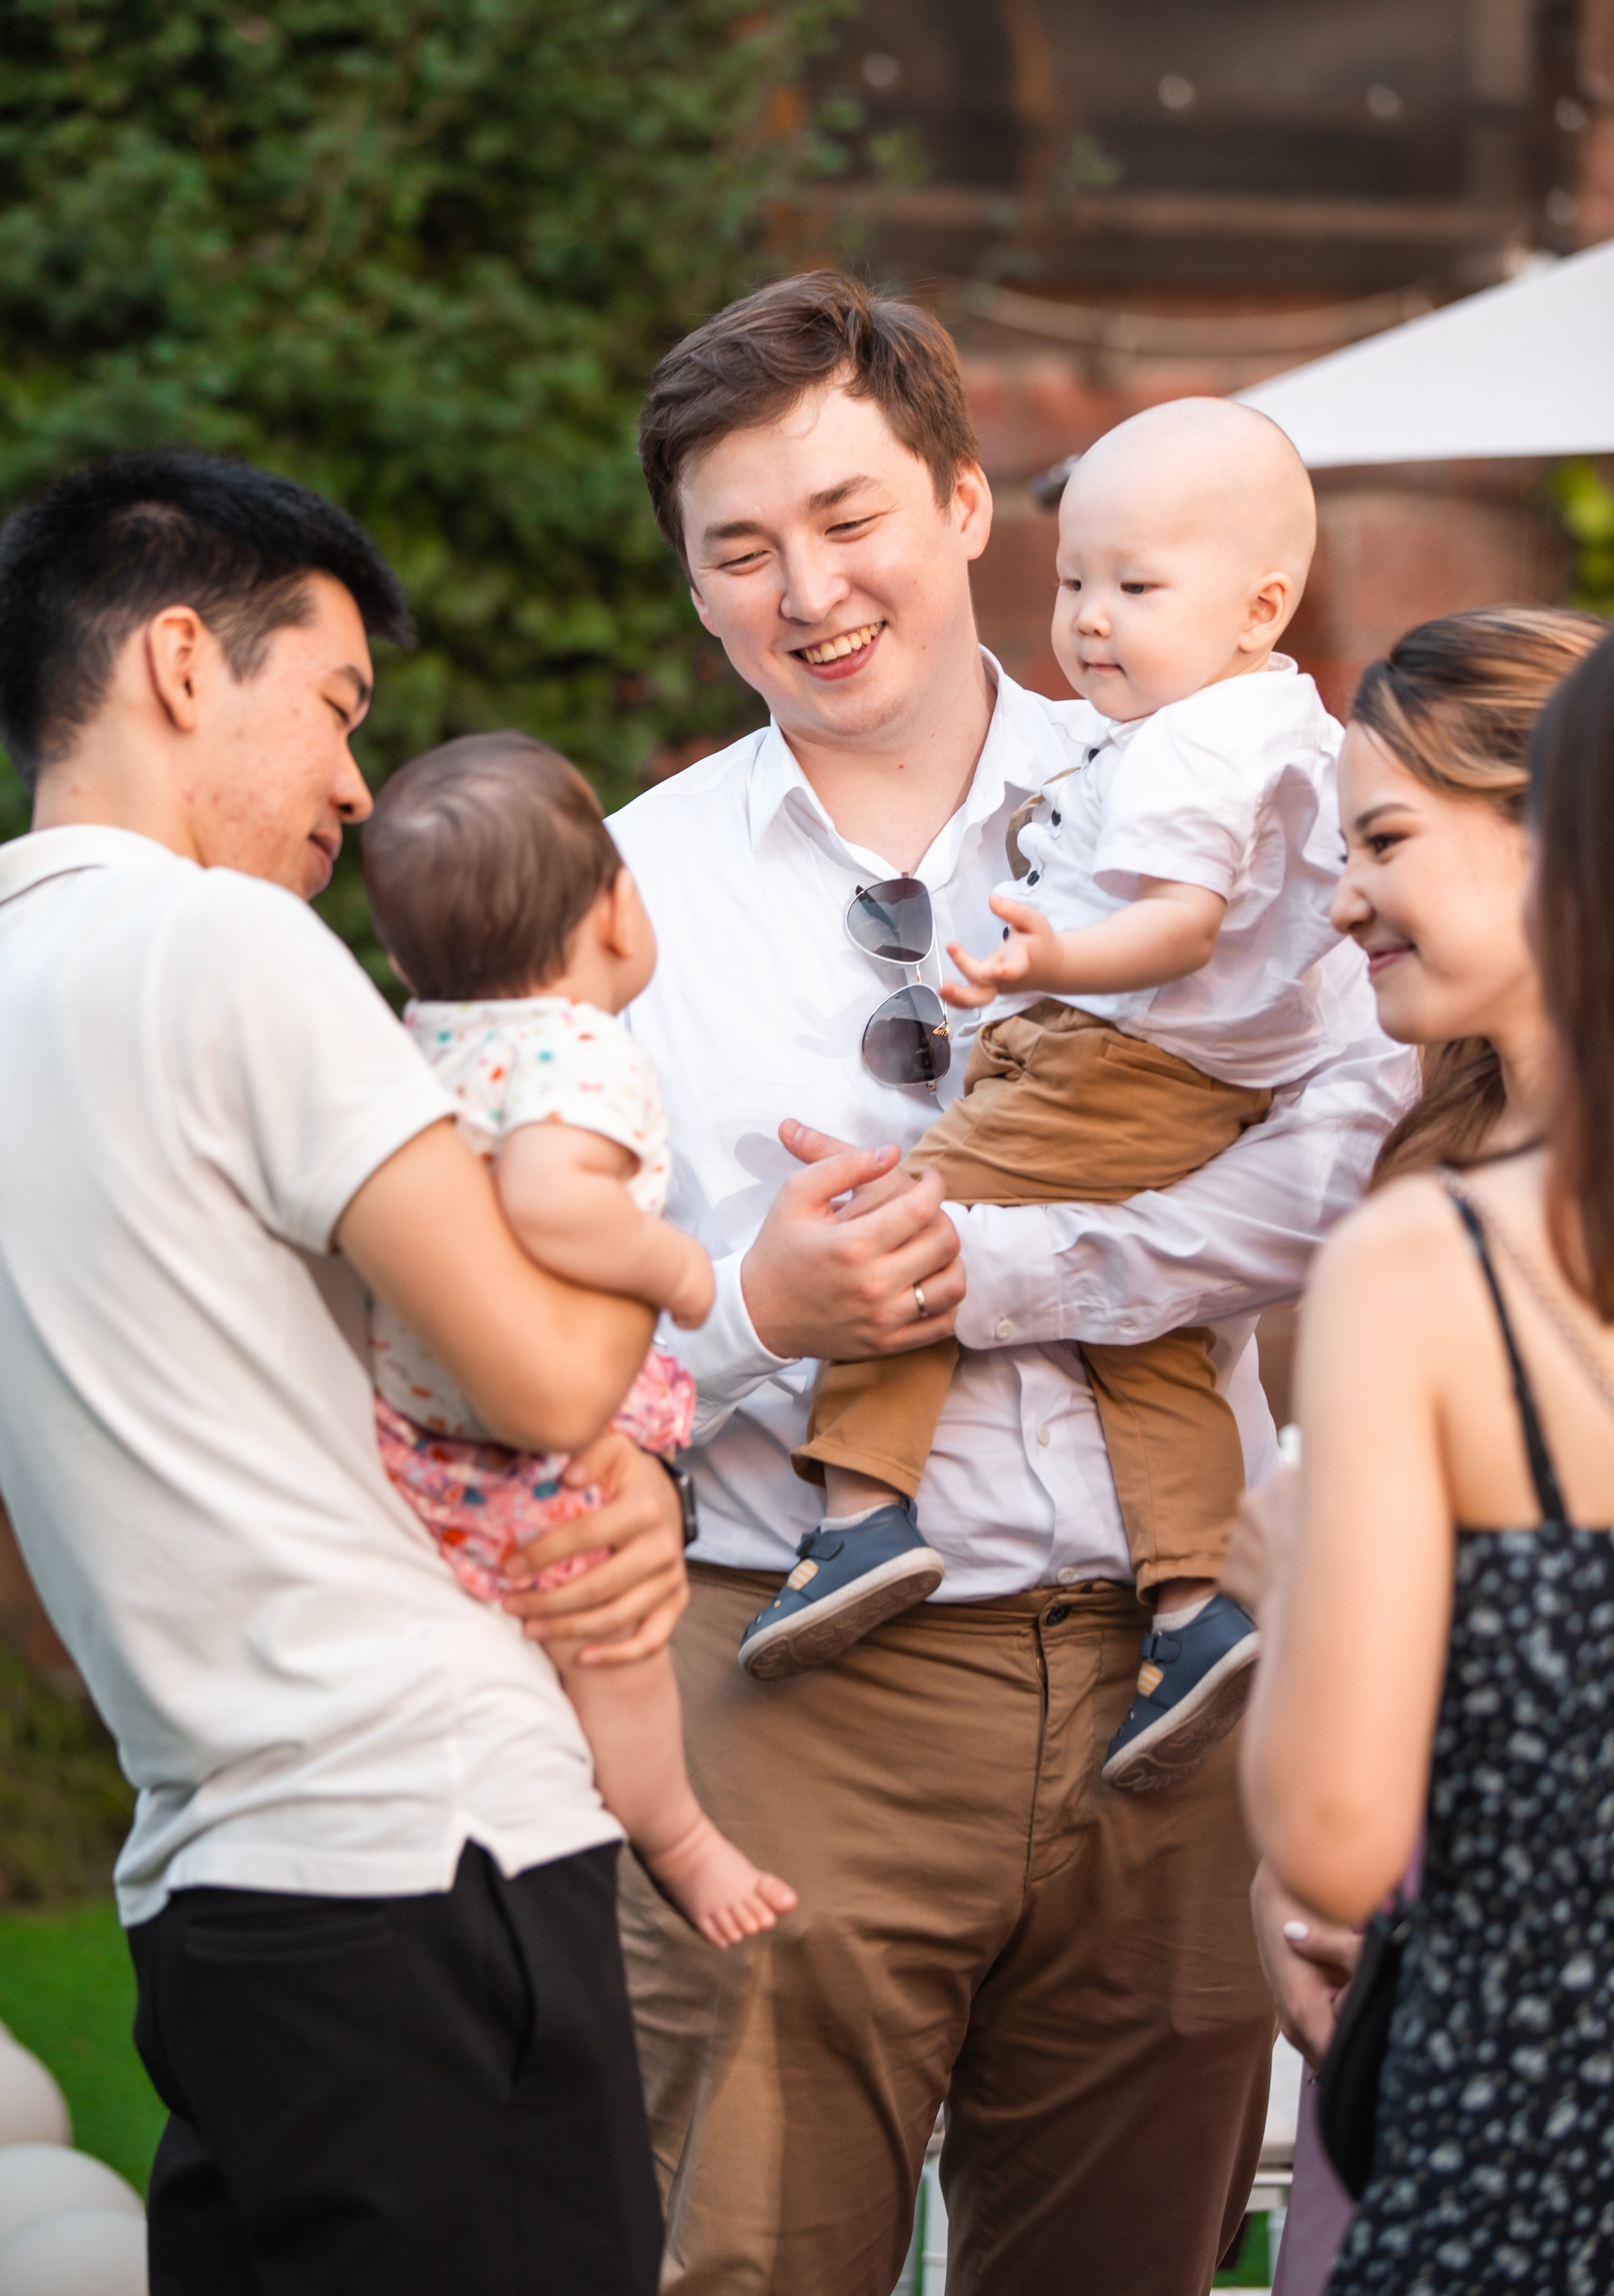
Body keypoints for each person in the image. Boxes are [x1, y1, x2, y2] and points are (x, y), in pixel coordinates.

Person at [610, 269, 1415, 2296]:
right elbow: (520, 1348)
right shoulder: (622, 894)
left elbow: (1351, 1143)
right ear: (695, 586)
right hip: (794, 1696)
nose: (811, 591)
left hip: (1184, 1685)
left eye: (851, 516)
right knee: (753, 2266)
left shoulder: (1226, 779)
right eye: (742, 549)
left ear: (968, 504)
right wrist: (759, 1312)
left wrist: (1009, 1270)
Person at [0, 452, 689, 2295]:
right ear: (180, 662)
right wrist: (698, 1285)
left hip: (215, 1902)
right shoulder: (223, 943)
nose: (360, 784)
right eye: (338, 706)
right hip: (427, 1855)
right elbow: (541, 1379)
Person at [760, 397, 1345, 1796]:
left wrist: (1052, 960)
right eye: (1076, 580)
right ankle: (1197, 1603)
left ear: (1260, 607)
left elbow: (1179, 925)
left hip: (1106, 1058)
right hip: (1196, 1089)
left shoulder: (1193, 743)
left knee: (899, 1233)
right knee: (1149, 1342)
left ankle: (861, 1514)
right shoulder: (1283, 726)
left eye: (1136, 588)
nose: (1087, 620)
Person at [1232, 605, 1606, 2296]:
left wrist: (1294, 1573)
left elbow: (1335, 1805)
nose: (1343, 898)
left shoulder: (1426, 1262)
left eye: (1384, 840)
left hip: (1514, 2126)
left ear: (1558, 830)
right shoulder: (1419, 1168)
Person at [360, 729, 797, 1947]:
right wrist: (674, 1269)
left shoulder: (415, 1041)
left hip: (419, 1427)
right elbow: (553, 1201)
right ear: (616, 913)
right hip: (544, 1454)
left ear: (403, 952)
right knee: (618, 1652)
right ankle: (679, 1837)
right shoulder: (581, 1052)